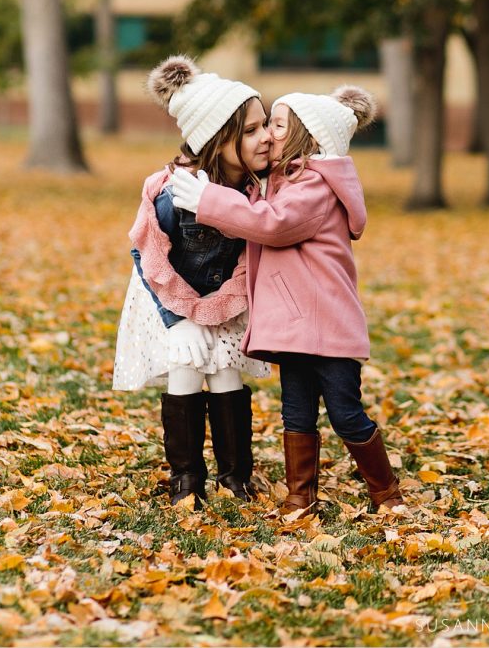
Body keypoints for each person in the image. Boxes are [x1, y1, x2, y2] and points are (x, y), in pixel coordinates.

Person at [170, 85, 404, 514]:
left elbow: (274, 225)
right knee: (295, 414)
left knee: (344, 413)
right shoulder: (282, 183)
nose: (270, 135)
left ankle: (386, 491)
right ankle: (301, 494)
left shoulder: (313, 185)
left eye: (278, 125)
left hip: (328, 327)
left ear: (305, 137)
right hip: (295, 329)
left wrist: (208, 201)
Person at [113, 55, 271, 507]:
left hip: (224, 299)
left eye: (266, 126)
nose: (265, 138)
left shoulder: (254, 191)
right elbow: (147, 254)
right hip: (170, 298)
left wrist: (223, 304)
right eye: (252, 130)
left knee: (225, 372)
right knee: (185, 369)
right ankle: (186, 478)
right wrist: (177, 319)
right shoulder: (172, 194)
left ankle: (235, 476)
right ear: (217, 139)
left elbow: (251, 255)